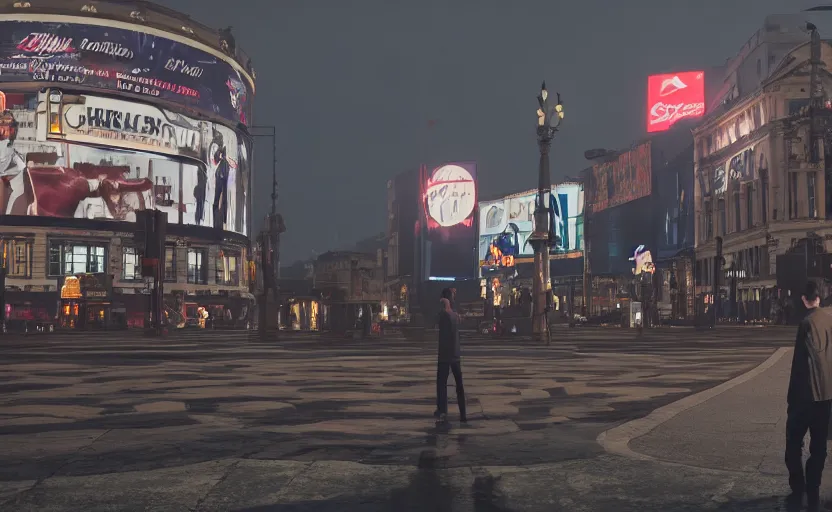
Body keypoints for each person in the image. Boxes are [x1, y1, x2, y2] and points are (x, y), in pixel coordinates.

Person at [785, 281, 832, 511]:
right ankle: (813, 483)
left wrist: (791, 397)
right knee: (819, 444)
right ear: (820, 298)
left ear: (805, 299)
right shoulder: (829, 320)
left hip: (804, 395)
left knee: (793, 441)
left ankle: (798, 484)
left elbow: (799, 365)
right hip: (826, 395)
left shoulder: (805, 324)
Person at [434, 297, 467, 423]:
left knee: (441, 384)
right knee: (459, 385)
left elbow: (436, 321)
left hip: (444, 356)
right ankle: (463, 413)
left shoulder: (444, 317)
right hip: (455, 355)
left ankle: (442, 410)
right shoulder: (455, 316)